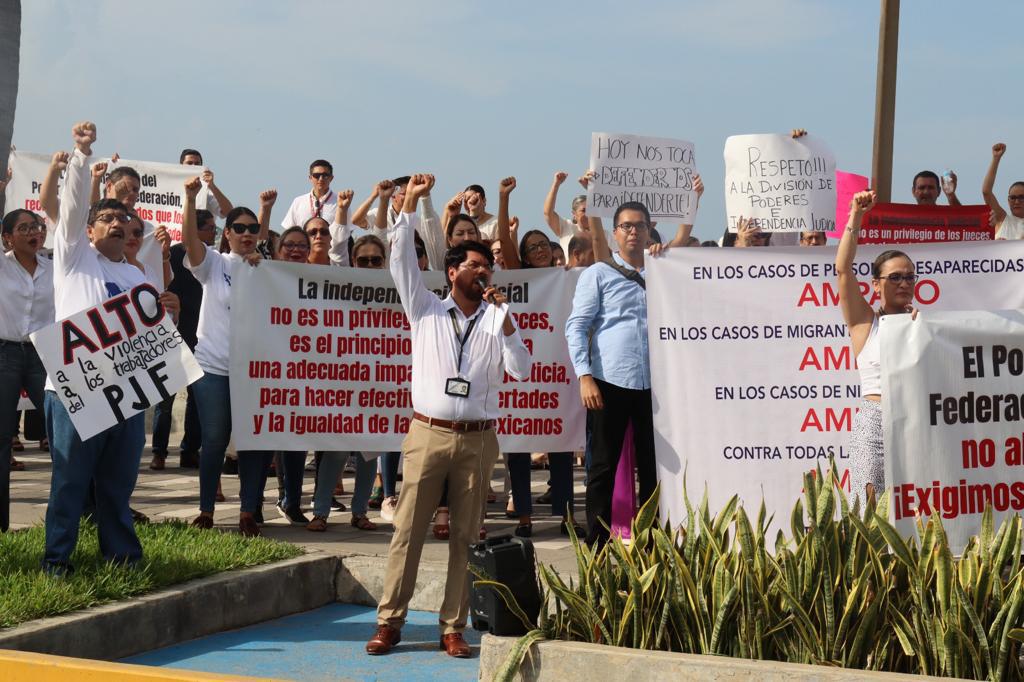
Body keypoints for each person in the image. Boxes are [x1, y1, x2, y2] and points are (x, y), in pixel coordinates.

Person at [367, 174, 530, 658]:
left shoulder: (496, 320)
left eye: (488, 268)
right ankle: (390, 621)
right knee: (408, 532)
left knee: (466, 535)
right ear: (452, 271)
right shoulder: (426, 310)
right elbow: (400, 261)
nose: (484, 274)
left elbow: (521, 371)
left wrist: (508, 326)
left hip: (478, 440)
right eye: (475, 266)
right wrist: (408, 208)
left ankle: (452, 626)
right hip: (428, 434)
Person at [42, 122, 177, 574]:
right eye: (108, 219)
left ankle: (122, 559)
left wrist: (167, 313)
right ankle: (56, 562)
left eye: (125, 220)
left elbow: (149, 340)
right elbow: (75, 205)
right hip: (74, 388)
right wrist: (81, 157)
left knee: (118, 483)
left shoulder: (138, 277)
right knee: (70, 483)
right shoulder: (74, 256)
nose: (119, 224)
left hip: (125, 393)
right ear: (89, 229)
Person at [564, 201, 661, 549]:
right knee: (602, 471)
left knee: (655, 471)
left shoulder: (664, 270)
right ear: (615, 232)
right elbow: (577, 327)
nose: (634, 231)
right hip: (609, 382)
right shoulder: (598, 273)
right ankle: (598, 549)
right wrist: (584, 375)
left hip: (657, 386)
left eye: (640, 225)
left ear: (650, 229)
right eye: (627, 226)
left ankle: (654, 545)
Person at [182, 176, 273, 537]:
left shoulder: (267, 269)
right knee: (216, 439)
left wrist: (263, 257)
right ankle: (206, 509)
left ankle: (248, 511)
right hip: (214, 365)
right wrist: (189, 200)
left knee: (252, 442)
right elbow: (190, 242)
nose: (246, 233)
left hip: (254, 370)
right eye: (239, 227)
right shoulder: (214, 264)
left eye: (253, 228)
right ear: (226, 233)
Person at [836, 190, 917, 506]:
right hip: (874, 425)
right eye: (895, 277)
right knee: (869, 513)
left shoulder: (923, 325)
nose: (904, 283)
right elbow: (843, 269)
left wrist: (921, 330)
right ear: (876, 284)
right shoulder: (864, 323)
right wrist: (855, 215)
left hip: (915, 422)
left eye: (909, 277)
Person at [306, 235, 387, 533]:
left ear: (384, 262)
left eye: (375, 260)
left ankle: (360, 511)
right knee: (336, 451)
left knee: (369, 452)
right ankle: (320, 512)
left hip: (379, 383)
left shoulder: (397, 290)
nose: (368, 265)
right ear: (353, 262)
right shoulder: (339, 288)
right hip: (342, 381)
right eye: (362, 260)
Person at [0, 209, 53, 532]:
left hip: (44, 355)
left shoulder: (53, 269)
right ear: (7, 237)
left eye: (36, 226)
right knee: (2, 436)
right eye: (24, 228)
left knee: (63, 431)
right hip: (5, 353)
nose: (34, 232)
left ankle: (80, 512)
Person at [152, 208, 217, 470]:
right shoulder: (175, 254)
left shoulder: (214, 258)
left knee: (196, 399)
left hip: (201, 337)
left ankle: (190, 450)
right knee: (164, 400)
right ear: (197, 228)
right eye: (210, 227)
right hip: (172, 335)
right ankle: (159, 452)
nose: (214, 232)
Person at [982, 143, 1024, 240]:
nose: (1017, 202)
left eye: (1021, 197)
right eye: (1013, 198)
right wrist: (996, 158)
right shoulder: (1002, 219)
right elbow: (986, 192)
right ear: (1008, 200)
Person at [280, 160, 338, 228]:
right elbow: (289, 231)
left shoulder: (340, 202)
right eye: (316, 175)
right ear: (310, 178)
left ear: (331, 178)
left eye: (325, 175)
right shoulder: (298, 201)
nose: (321, 179)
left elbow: (347, 230)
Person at [543, 171, 590, 255]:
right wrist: (556, 184)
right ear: (574, 214)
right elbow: (548, 213)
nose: (588, 214)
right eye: (583, 210)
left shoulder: (604, 235)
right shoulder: (566, 227)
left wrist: (591, 189)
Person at [179, 148, 233, 219]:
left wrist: (212, 186)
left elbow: (229, 213)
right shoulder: (171, 189)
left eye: (197, 164)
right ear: (181, 165)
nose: (194, 166)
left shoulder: (206, 191)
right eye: (189, 163)